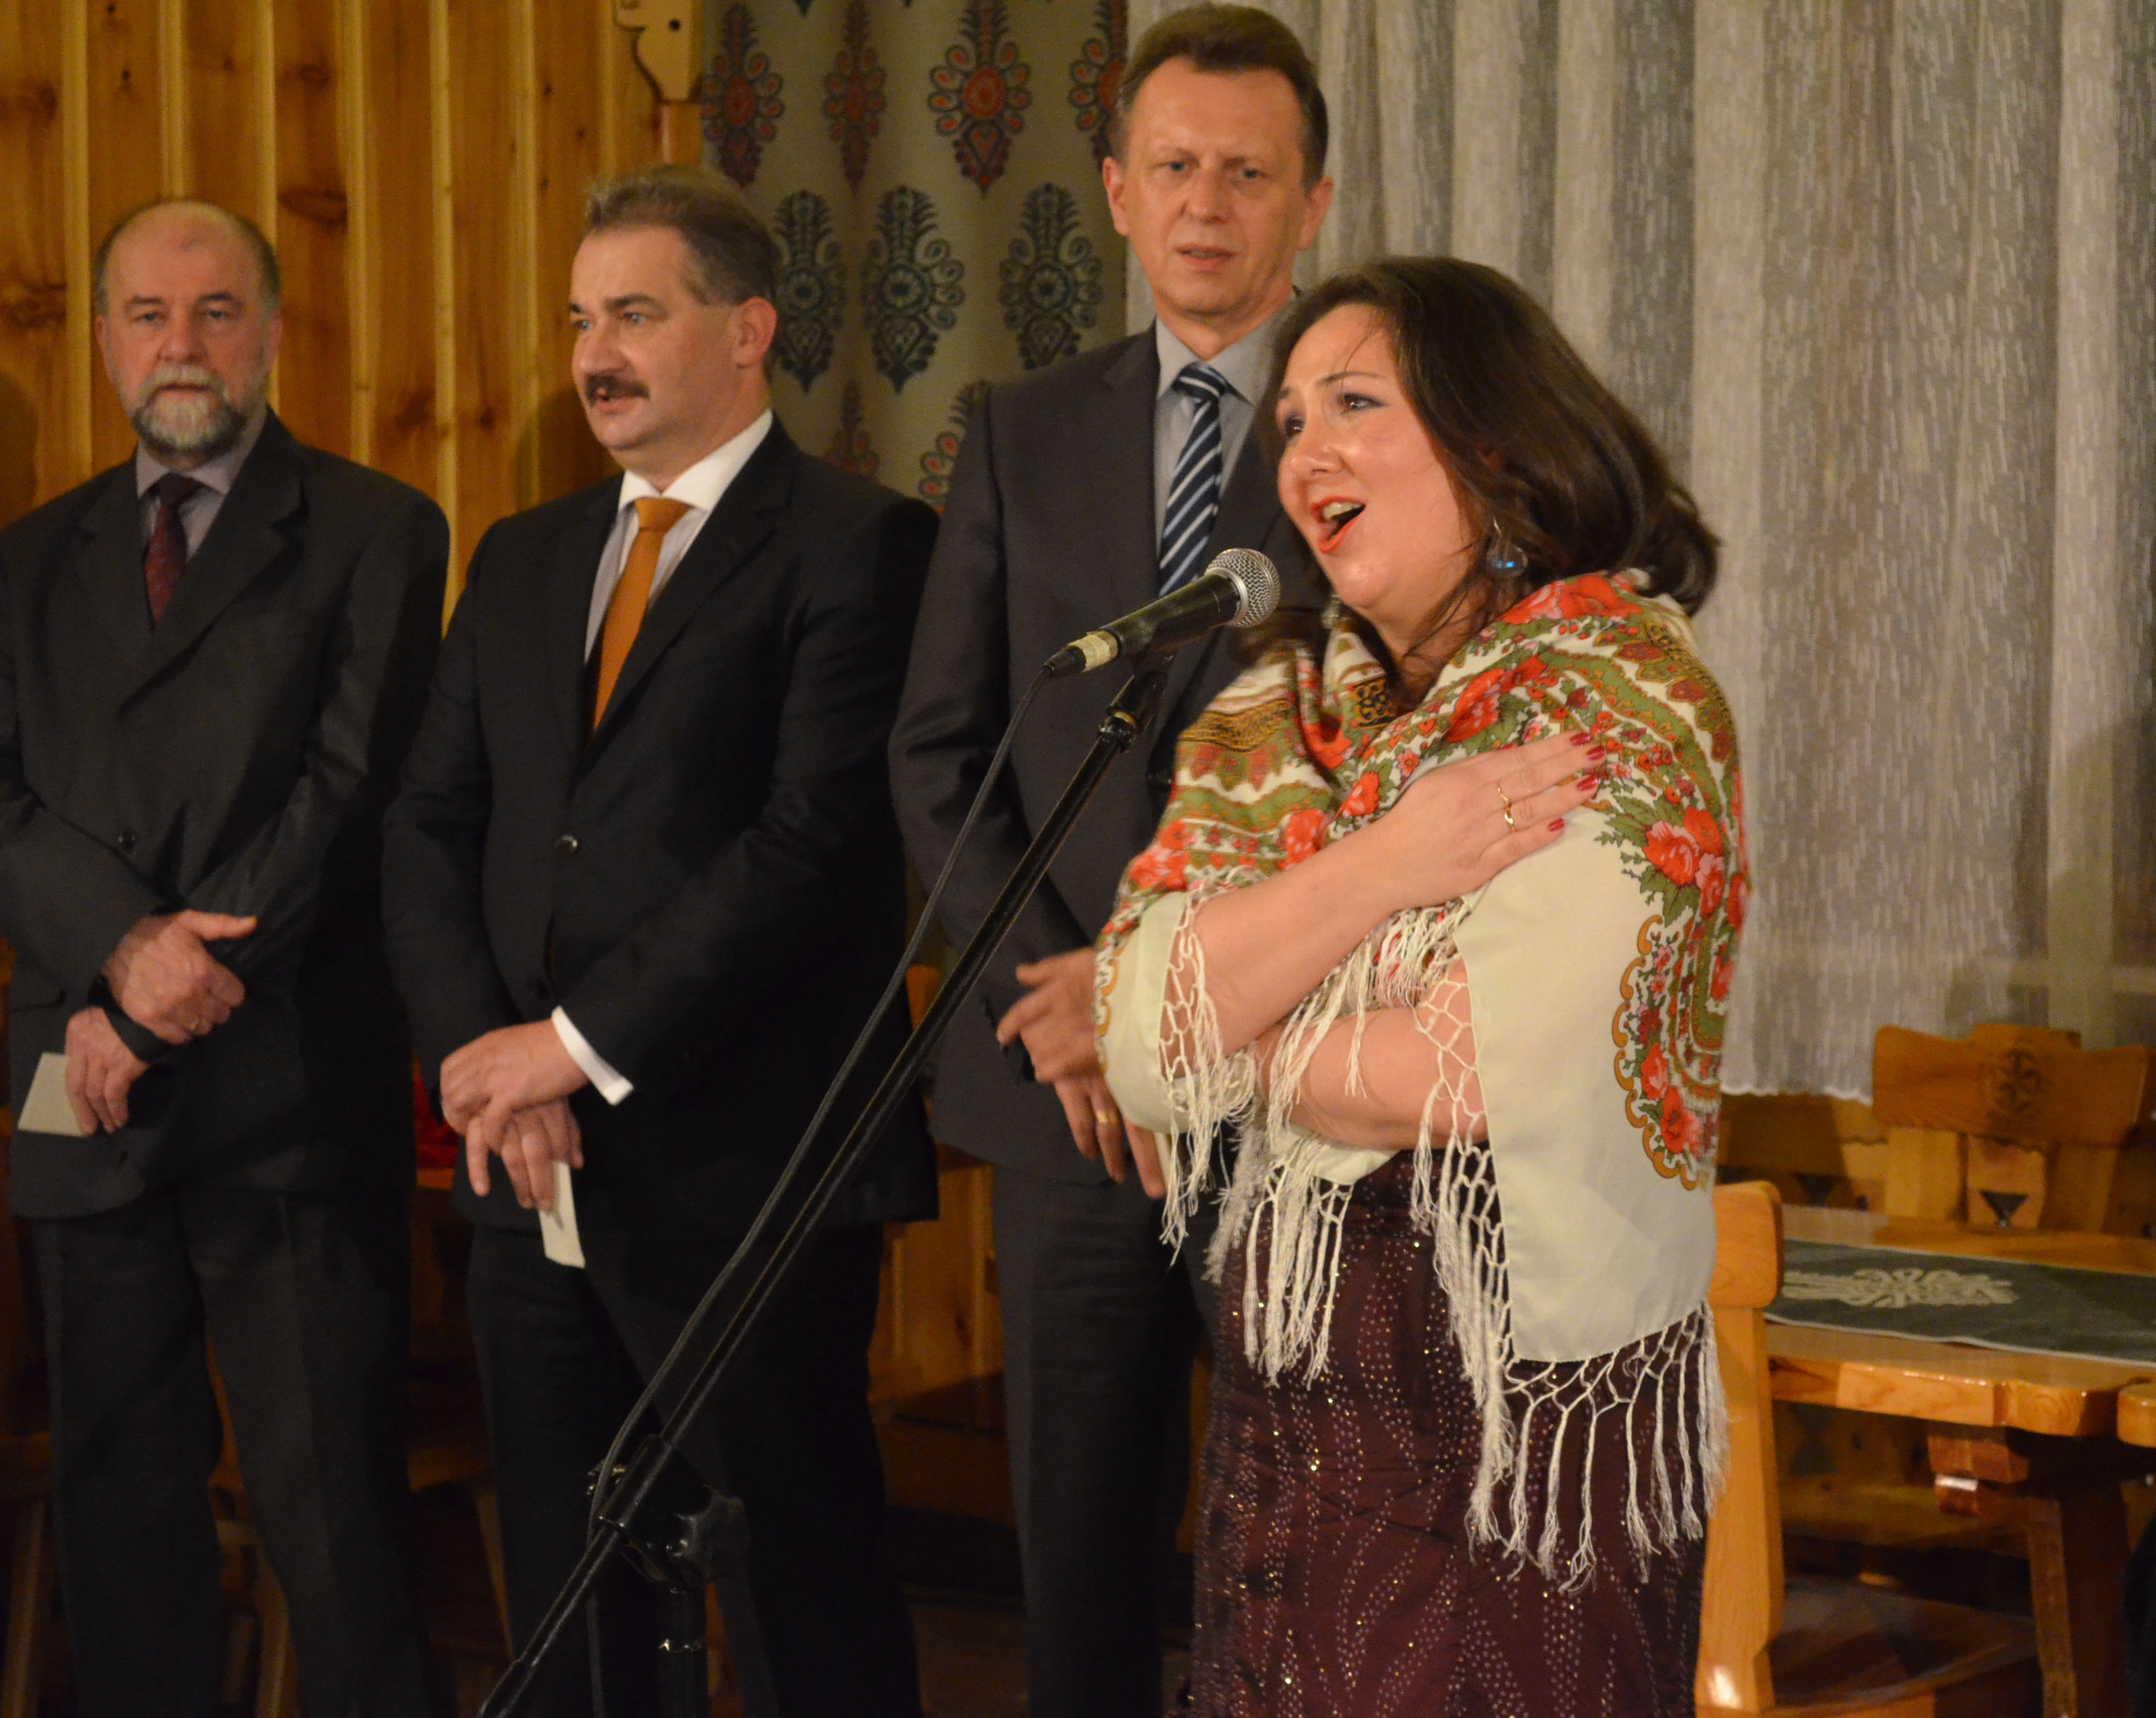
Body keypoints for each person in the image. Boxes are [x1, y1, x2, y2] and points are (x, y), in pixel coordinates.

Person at [1095, 255, 1744, 1715]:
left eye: (1354, 405)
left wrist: (1234, 1036)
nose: (1304, 451)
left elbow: (1468, 1072)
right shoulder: (1268, 721)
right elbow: (1134, 1039)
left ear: (1493, 443)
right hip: (1291, 1422)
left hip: (1517, 1440)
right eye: (1290, 422)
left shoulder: (1619, 697)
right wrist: (1385, 866)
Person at [381, 165, 935, 1717]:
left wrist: (568, 1050)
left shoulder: (860, 544)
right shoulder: (524, 555)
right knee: (566, 1594)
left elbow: (810, 848)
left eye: (635, 314)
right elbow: (428, 826)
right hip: (529, 1168)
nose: (596, 355)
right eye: (579, 321)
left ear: (748, 329)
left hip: (744, 1168)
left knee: (798, 1587)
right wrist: (486, 1066)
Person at [886, 7, 1331, 1711]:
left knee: (1301, 1559)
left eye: (1248, 173)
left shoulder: (1372, 426)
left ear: (1311, 202)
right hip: (1066, 1097)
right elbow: (942, 750)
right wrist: (1053, 1002)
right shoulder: (1022, 426)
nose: (1208, 204)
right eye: (1176, 168)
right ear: (1120, 192)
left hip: (1294, 1084)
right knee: (1076, 1567)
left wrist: (1186, 996)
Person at [0, 199, 446, 1717]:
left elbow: (345, 794)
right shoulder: (27, 560)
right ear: (102, 339)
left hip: (282, 1088)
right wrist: (121, 955)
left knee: (332, 1517)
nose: (179, 344)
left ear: (271, 331)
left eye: (213, 311)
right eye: (147, 313)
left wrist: (156, 997)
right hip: (83, 1086)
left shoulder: (378, 529)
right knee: (121, 1504)